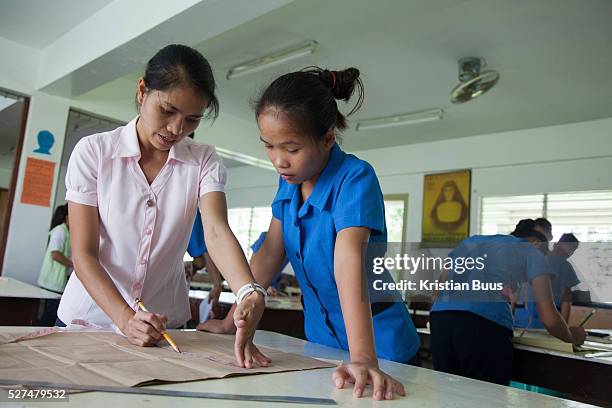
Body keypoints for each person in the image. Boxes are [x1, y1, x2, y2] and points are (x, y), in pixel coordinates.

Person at [200, 67, 419, 400]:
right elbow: (271, 253)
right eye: (269, 147)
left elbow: (350, 260)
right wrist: (232, 321)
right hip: (322, 344)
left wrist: (362, 357)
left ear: (327, 138)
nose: (278, 161)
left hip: (380, 346)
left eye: (291, 148)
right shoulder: (288, 184)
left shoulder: (354, 178)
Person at [57, 44, 268, 368]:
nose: (176, 129)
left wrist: (247, 291)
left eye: (192, 120)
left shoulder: (203, 161)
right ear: (143, 91)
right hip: (89, 320)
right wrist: (126, 319)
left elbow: (215, 230)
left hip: (163, 329)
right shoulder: (95, 153)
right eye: (167, 110)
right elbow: (84, 254)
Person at [430, 221, 586, 386]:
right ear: (537, 242)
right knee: (488, 399)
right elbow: (550, 319)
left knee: (449, 394)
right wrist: (572, 336)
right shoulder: (533, 251)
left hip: (440, 322)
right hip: (483, 327)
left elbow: (438, 288)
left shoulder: (472, 241)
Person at [514, 233, 581, 328]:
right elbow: (566, 299)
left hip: (523, 318)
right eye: (562, 251)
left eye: (567, 253)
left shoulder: (531, 259)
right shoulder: (564, 266)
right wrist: (564, 327)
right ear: (555, 245)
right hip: (540, 319)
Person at [37, 204, 73, 326]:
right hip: (52, 281)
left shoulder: (68, 232)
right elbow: (55, 254)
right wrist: (74, 264)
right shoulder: (60, 231)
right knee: (51, 313)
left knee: (52, 312)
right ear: (67, 217)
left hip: (58, 281)